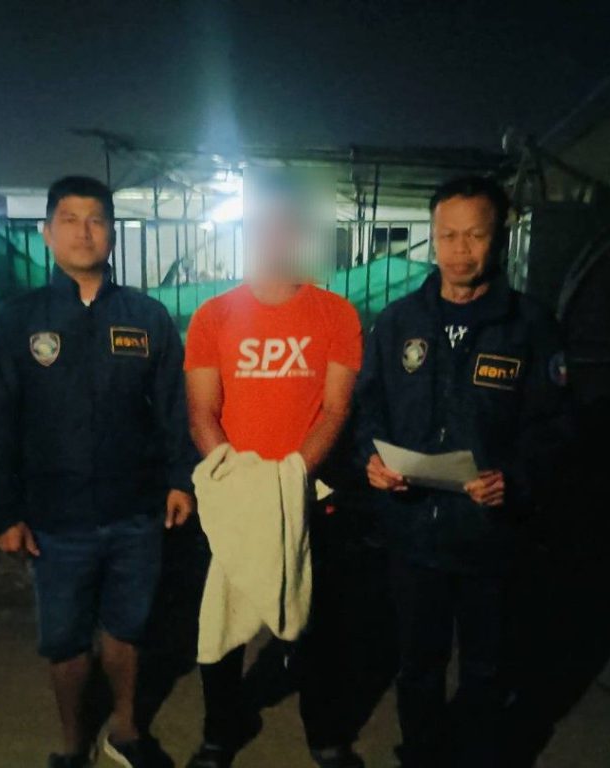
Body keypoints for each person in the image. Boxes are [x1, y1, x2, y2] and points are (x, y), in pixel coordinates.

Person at [0, 175, 197, 768]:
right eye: (69, 220)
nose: (84, 232)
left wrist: (181, 480)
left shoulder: (146, 317)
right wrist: (2, 511)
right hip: (54, 518)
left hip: (136, 512)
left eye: (96, 220)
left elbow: (174, 409)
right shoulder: (17, 320)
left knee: (128, 628)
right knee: (65, 639)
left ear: (112, 234)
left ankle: (124, 731)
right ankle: (73, 745)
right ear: (47, 233)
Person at [355, 176, 568, 767]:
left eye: (475, 235)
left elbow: (555, 426)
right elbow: (368, 410)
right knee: (417, 666)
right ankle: (421, 755)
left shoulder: (530, 326)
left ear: (499, 238)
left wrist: (514, 478)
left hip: (490, 538)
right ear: (433, 235)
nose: (459, 250)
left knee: (486, 668)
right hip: (412, 535)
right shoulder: (398, 322)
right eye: (447, 235)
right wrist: (371, 461)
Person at [182, 174, 365, 768]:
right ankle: (219, 732)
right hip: (234, 498)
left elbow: (335, 409)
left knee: (317, 624)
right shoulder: (212, 316)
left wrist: (289, 479)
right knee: (221, 627)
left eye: (285, 225)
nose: (273, 236)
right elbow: (202, 411)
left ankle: (326, 736)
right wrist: (240, 484)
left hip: (308, 496)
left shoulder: (336, 314)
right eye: (261, 224)